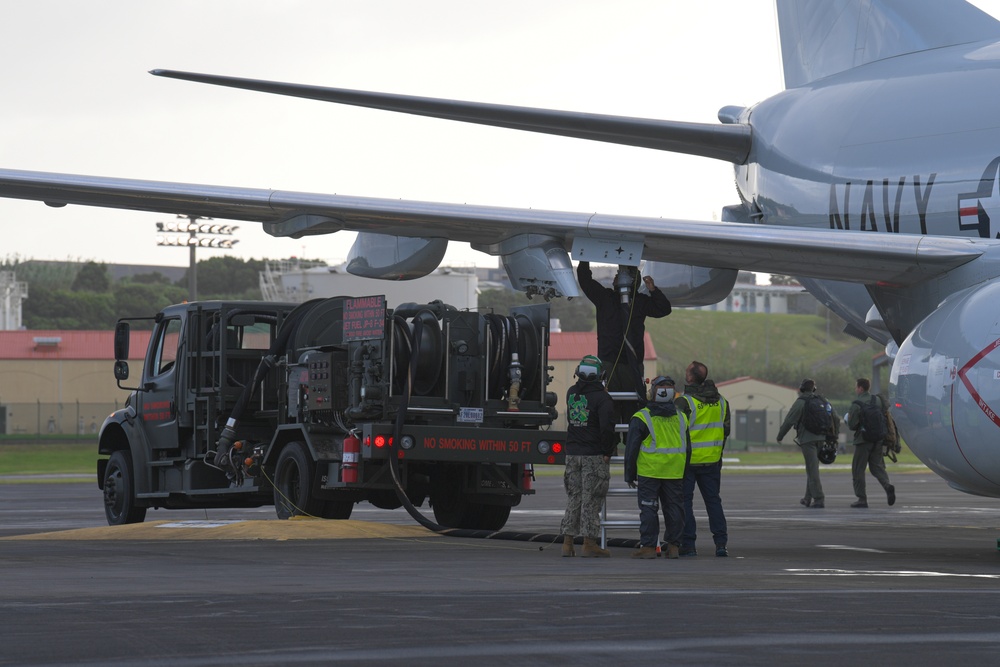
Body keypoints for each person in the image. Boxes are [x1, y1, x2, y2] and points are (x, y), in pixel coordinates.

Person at [576, 261, 672, 411]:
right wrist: (584, 259)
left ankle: (627, 433)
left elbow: (664, 309)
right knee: (611, 405)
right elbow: (585, 282)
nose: (616, 278)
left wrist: (653, 290)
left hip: (626, 363)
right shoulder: (607, 298)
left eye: (618, 275)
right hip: (613, 362)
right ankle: (617, 433)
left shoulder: (635, 301)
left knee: (628, 406)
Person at [624, 375, 690, 559]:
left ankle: (648, 547)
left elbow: (631, 449)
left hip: (649, 472)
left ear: (653, 392)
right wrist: (684, 471)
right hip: (675, 472)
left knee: (648, 509)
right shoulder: (682, 417)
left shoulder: (641, 417)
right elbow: (688, 448)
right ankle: (674, 546)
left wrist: (629, 475)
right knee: (674, 509)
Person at [560, 355, 617, 558]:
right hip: (593, 455)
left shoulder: (571, 393)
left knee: (574, 497)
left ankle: (567, 543)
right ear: (599, 375)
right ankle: (589, 543)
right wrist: (607, 451)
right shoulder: (603, 399)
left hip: (572, 454)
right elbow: (607, 428)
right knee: (591, 498)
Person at [676, 360, 731, 557]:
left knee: (685, 503)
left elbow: (675, 431)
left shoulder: (685, 402)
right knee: (714, 502)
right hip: (712, 461)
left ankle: (689, 545)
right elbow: (726, 431)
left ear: (690, 377)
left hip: (688, 462)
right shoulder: (722, 401)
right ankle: (721, 543)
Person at [777, 379, 838, 509]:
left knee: (812, 469)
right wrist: (834, 436)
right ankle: (807, 498)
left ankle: (819, 498)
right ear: (813, 389)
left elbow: (789, 420)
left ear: (801, 389)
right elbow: (836, 418)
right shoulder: (823, 400)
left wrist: (780, 435)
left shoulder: (801, 402)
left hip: (807, 440)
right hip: (822, 438)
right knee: (812, 468)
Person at [847, 378, 895, 508]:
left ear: (861, 388)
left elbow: (851, 425)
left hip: (863, 441)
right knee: (877, 467)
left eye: (856, 387)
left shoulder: (856, 404)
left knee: (858, 469)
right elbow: (886, 411)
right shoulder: (878, 400)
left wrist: (849, 420)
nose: (855, 389)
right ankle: (887, 485)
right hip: (878, 439)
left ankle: (862, 499)